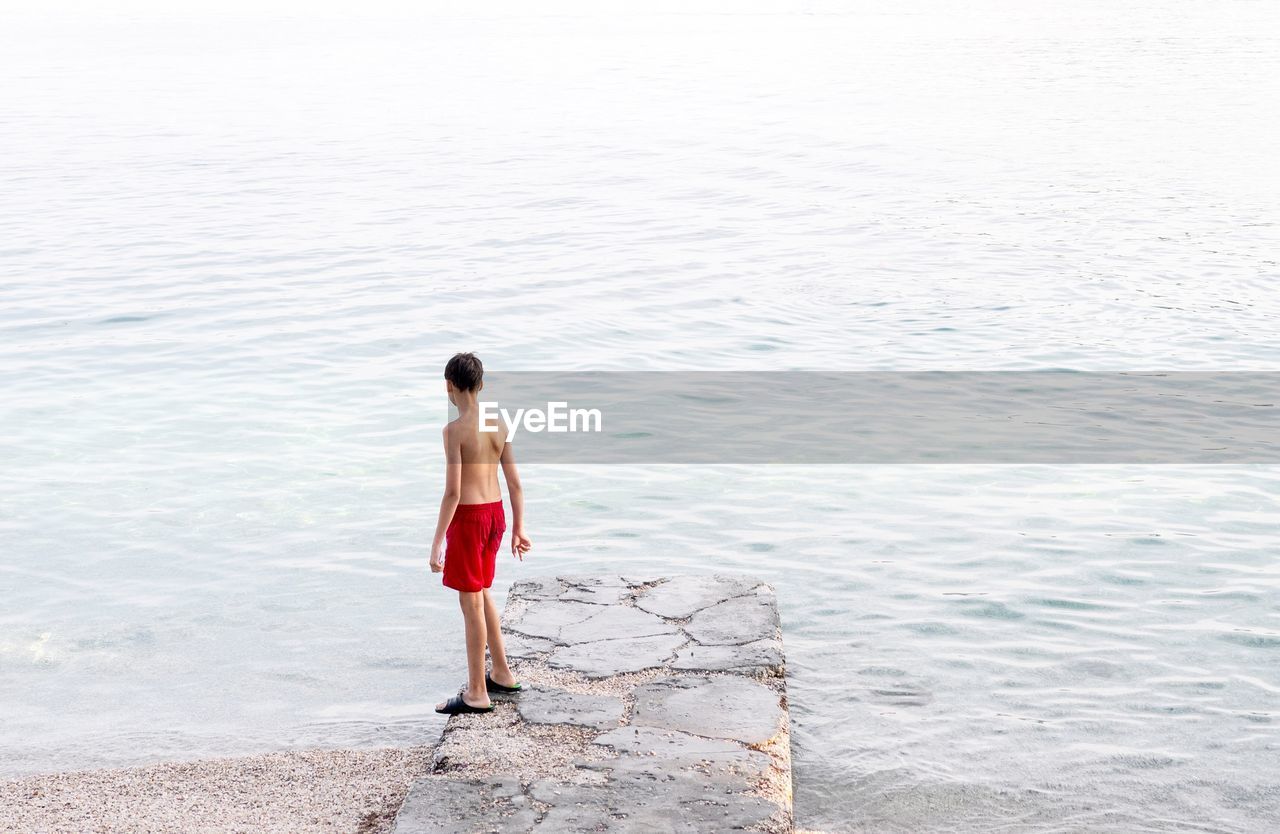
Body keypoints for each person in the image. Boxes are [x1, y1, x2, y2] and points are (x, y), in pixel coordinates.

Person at [430, 352, 532, 714]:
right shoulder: (499, 425)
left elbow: (453, 493)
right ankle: (501, 672)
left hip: (470, 520)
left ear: (449, 388)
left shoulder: (453, 431)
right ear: (482, 385)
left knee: (470, 603)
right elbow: (515, 483)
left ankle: (476, 692)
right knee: (484, 592)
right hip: (496, 516)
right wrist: (518, 528)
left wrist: (437, 540)